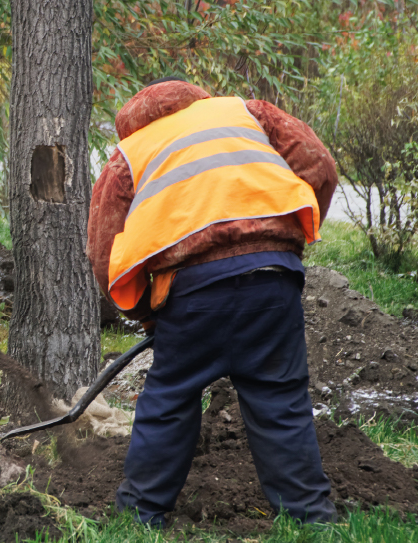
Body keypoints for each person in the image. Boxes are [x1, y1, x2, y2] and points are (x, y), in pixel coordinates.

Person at [87, 77, 339, 526]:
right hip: (273, 280)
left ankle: (140, 516)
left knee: (170, 399)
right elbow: (320, 165)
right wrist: (289, 238)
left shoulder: (130, 153)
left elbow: (104, 253)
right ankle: (311, 518)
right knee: (280, 399)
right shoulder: (247, 112)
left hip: (192, 292)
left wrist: (145, 311)